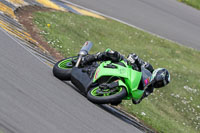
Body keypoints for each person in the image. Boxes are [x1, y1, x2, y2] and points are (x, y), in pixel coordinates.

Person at [82, 49, 170, 104]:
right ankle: (91, 58)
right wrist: (133, 59)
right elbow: (136, 58)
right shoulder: (149, 68)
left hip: (129, 85)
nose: (159, 84)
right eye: (160, 82)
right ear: (157, 74)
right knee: (113, 54)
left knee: (117, 101)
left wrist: (137, 98)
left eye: (161, 85)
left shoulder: (150, 89)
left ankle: (104, 89)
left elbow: (137, 100)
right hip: (126, 68)